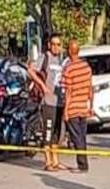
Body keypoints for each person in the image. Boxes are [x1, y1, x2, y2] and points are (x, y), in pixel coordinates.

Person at [27, 33, 65, 171]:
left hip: (59, 101)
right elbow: (30, 71)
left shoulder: (61, 60)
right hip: (48, 102)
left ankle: (55, 161)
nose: (56, 47)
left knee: (57, 133)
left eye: (58, 44)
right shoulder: (45, 58)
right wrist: (42, 86)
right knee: (47, 132)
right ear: (49, 45)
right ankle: (48, 162)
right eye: (53, 44)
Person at [61, 39, 94, 173]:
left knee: (76, 138)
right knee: (82, 136)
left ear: (69, 51)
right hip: (83, 107)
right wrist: (91, 105)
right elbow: (90, 88)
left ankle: (82, 164)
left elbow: (68, 92)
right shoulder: (86, 68)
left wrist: (66, 111)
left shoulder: (68, 69)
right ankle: (83, 163)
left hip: (73, 108)